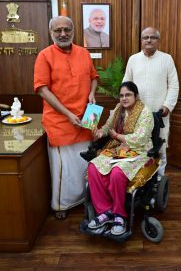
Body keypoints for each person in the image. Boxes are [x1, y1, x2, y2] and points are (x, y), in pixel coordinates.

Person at [34, 16, 99, 219]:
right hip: (59, 120)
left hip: (86, 118)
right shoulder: (44, 56)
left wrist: (91, 93)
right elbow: (42, 89)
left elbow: (93, 78)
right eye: (58, 30)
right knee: (65, 166)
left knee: (85, 162)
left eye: (67, 30)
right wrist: (68, 114)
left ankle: (85, 198)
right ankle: (61, 205)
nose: (63, 34)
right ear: (50, 33)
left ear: (73, 31)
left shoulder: (84, 53)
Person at [87, 81, 154, 235]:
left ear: (135, 96)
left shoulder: (145, 112)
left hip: (139, 151)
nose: (124, 98)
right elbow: (106, 126)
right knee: (93, 167)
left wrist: (117, 136)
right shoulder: (118, 109)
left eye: (128, 95)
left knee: (117, 172)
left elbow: (141, 138)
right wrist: (99, 133)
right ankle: (106, 212)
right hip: (118, 149)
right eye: (121, 95)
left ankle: (119, 215)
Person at [122, 27, 179, 176]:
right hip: (137, 113)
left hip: (159, 114)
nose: (149, 40)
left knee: (159, 147)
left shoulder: (167, 59)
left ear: (158, 41)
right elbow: (126, 84)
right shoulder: (133, 59)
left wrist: (167, 105)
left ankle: (158, 180)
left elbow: (174, 85)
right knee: (137, 146)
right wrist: (126, 103)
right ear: (141, 41)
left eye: (152, 37)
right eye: (145, 37)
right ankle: (139, 181)